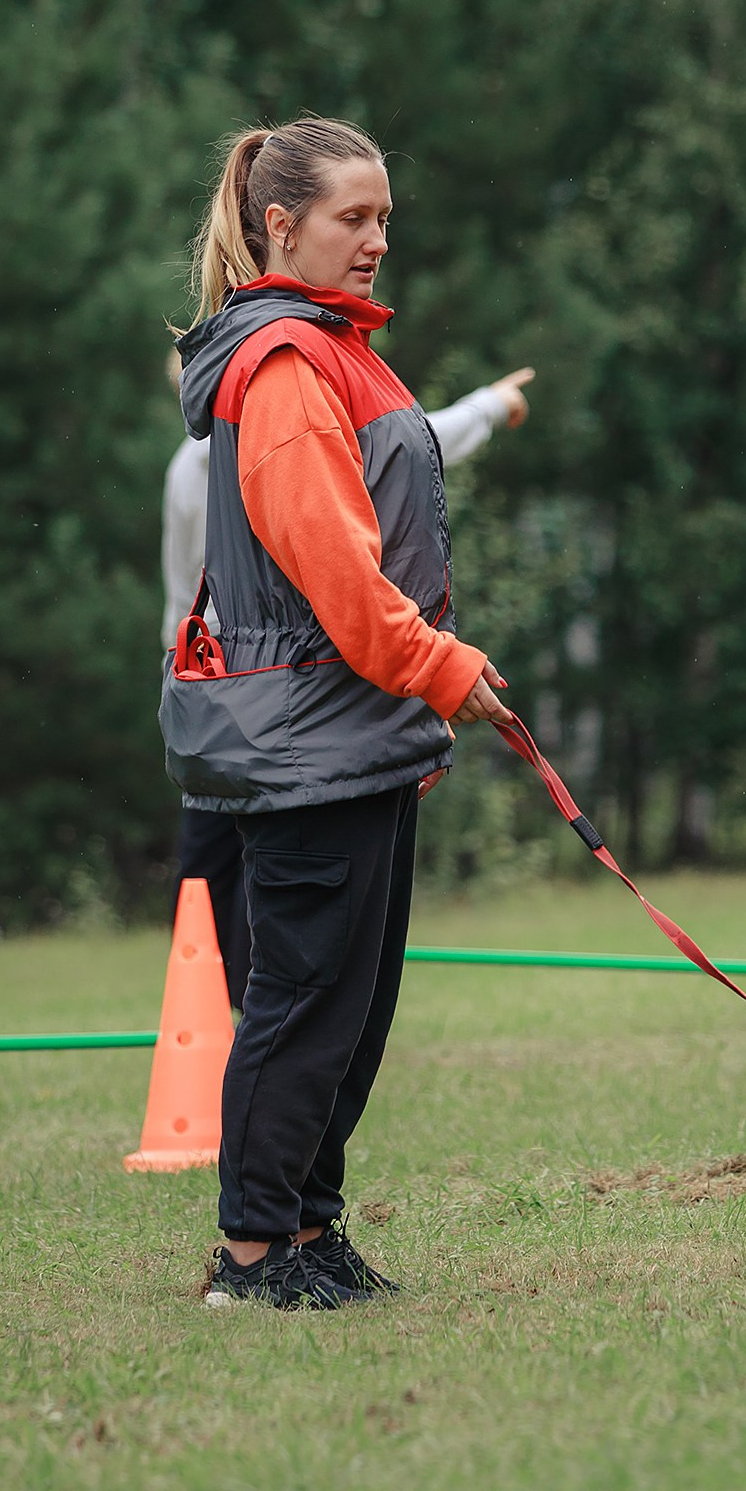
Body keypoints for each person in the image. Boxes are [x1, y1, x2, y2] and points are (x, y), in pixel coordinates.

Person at [164, 117, 512, 1308]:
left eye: (383, 220)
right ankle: (252, 1255)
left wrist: (425, 679)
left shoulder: (332, 350)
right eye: (350, 219)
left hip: (356, 731)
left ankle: (310, 1232)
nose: (375, 242)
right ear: (280, 225)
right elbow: (340, 579)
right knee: (305, 999)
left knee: (351, 1011)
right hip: (308, 735)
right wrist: (442, 667)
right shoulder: (284, 367)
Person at [163, 342, 533, 1009]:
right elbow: (419, 445)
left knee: (218, 868)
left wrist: (180, 676)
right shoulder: (285, 425)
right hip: (282, 690)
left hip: (214, 687)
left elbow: (178, 593)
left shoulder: (188, 468)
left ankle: (232, 1018)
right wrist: (490, 405)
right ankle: (246, 1024)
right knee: (257, 882)